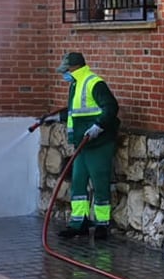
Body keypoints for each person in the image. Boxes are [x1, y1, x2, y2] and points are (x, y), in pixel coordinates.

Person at [31, 51, 120, 240]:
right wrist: (53, 118)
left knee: (100, 182)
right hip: (82, 144)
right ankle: (78, 223)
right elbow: (74, 113)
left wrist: (98, 126)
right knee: (78, 183)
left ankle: (102, 225)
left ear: (75, 68)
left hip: (98, 143)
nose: (64, 74)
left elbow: (111, 107)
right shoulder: (75, 85)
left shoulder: (94, 83)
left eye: (66, 70)